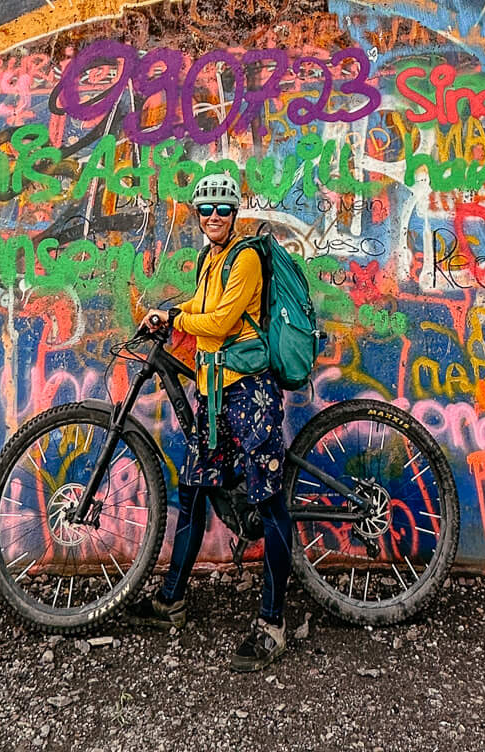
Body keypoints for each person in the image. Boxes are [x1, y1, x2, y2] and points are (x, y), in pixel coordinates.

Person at [128, 170, 292, 672]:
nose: (215, 217)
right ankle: (171, 600)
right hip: (215, 397)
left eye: (224, 209)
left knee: (268, 503)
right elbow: (203, 306)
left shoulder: (244, 258)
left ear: (234, 213)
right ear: (199, 214)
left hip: (250, 391)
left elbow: (220, 322)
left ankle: (272, 624)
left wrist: (178, 321)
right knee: (194, 491)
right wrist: (169, 312)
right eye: (207, 209)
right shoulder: (209, 257)